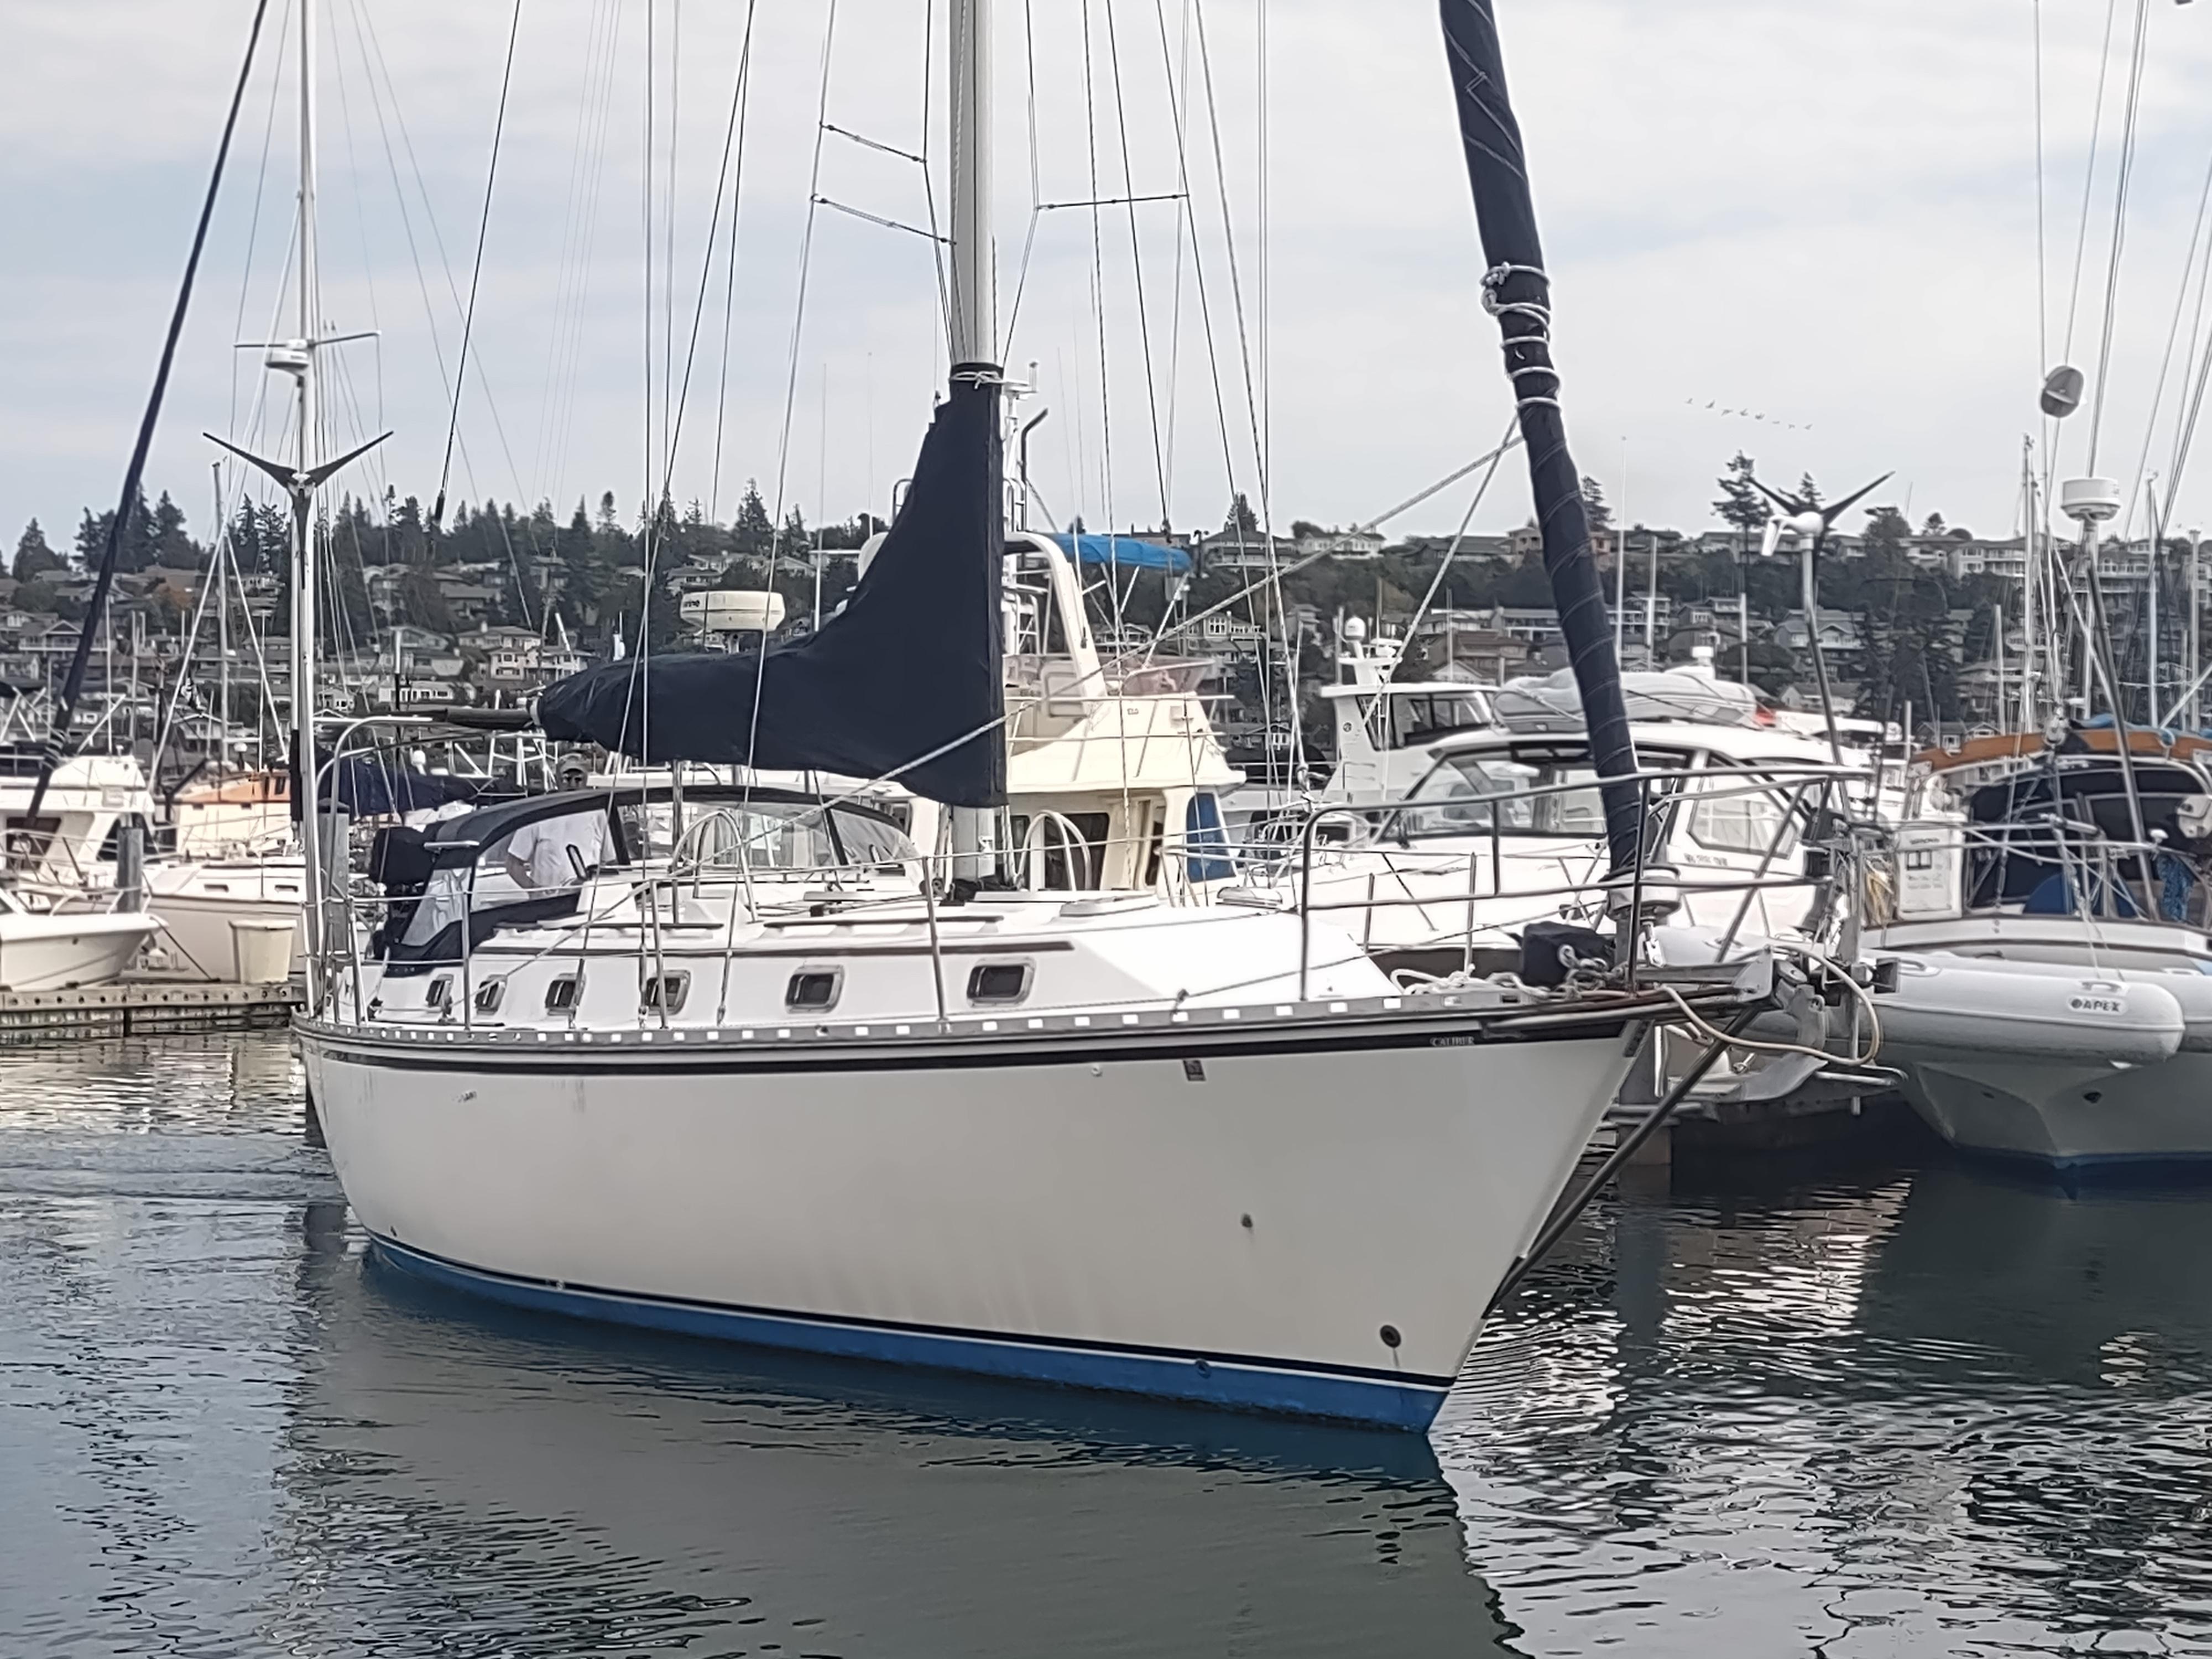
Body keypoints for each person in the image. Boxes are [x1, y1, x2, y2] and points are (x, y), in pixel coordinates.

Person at [502, 807, 616, 897]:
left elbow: (613, 864)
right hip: (549, 905)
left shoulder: (599, 813)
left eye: (578, 779)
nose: (572, 783)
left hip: (588, 901)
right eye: (567, 778)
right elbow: (513, 864)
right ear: (558, 778)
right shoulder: (538, 812)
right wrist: (534, 890)